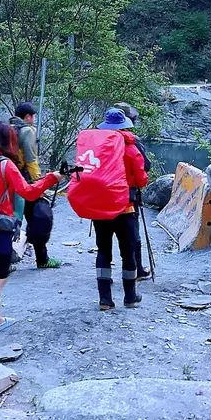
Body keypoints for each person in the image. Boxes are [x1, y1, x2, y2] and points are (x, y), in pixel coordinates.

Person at [0, 122, 62, 349]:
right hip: (0, 228)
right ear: (10, 142)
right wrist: (52, 178)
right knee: (0, 277)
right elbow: (28, 192)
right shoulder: (4, 165)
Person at [69, 109, 149, 310]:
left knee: (103, 250)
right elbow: (141, 179)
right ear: (124, 126)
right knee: (127, 251)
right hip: (125, 208)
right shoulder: (130, 148)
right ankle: (130, 297)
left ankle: (105, 300)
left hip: (100, 207)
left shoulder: (99, 149)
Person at [10, 102, 60, 269]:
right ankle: (43, 259)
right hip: (24, 179)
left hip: (7, 178)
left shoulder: (7, 129)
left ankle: (3, 262)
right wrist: (40, 184)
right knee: (38, 216)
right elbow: (31, 161)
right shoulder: (27, 131)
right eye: (33, 117)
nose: (34, 120)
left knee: (9, 218)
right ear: (27, 117)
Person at [106, 104, 152, 281]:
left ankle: (105, 276)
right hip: (127, 197)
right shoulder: (131, 141)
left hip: (102, 195)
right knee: (132, 234)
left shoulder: (100, 140)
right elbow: (145, 166)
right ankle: (137, 271)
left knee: (104, 237)